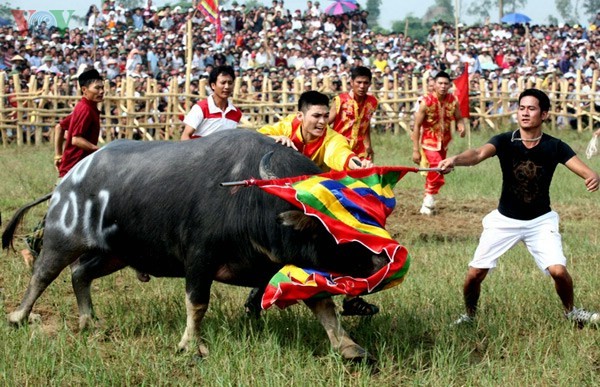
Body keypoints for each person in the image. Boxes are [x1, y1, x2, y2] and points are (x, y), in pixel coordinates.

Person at [438, 88, 600, 326]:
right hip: (504, 220)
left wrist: (592, 176)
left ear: (544, 114)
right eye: (521, 108)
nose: (525, 113)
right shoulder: (505, 141)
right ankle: (469, 316)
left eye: (531, 108)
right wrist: (455, 160)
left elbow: (585, 170)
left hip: (540, 221)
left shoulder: (555, 146)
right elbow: (477, 153)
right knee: (474, 274)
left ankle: (571, 312)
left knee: (559, 272)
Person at [257, 90, 380, 316]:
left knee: (347, 238)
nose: (322, 122)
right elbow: (257, 137)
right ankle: (260, 290)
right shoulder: (285, 127)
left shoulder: (332, 138)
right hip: (281, 200)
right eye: (316, 116)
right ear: (300, 116)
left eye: (325, 116)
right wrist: (272, 141)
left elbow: (341, 154)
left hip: (316, 203)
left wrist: (356, 163)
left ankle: (353, 295)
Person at [412, 70, 466, 215]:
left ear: (449, 85)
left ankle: (428, 199)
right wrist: (415, 149)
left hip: (444, 142)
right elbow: (416, 126)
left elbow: (459, 117)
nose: (442, 86)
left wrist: (461, 126)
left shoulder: (452, 101)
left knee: (436, 170)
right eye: (440, 83)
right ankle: (428, 199)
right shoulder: (425, 102)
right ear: (434, 84)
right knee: (437, 167)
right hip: (429, 142)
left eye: (445, 83)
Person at [328, 66, 378, 161]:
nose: (362, 86)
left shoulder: (373, 102)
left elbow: (366, 124)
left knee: (365, 174)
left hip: (361, 149)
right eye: (359, 82)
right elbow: (326, 123)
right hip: (340, 148)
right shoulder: (340, 100)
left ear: (370, 84)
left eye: (365, 83)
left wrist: (368, 145)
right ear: (351, 83)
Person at [180, 65, 242, 140]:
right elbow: (185, 136)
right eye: (223, 83)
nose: (227, 87)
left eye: (230, 83)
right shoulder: (201, 108)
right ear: (213, 85)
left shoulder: (236, 113)